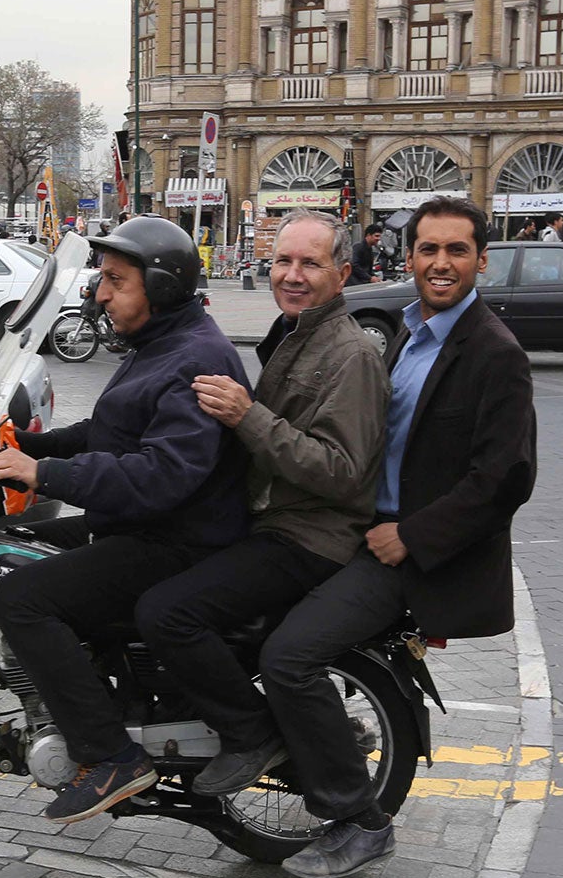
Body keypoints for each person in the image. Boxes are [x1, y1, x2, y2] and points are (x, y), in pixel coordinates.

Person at [257, 196, 536, 878]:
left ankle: (360, 819)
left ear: (481, 262)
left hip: (403, 555)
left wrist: (410, 536)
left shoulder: (493, 352)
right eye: (429, 250)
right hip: (359, 531)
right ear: (408, 257)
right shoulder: (417, 332)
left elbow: (505, 478)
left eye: (457, 251)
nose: (441, 263)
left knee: (289, 656)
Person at [0, 217, 251, 825]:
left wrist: (42, 476)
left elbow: (160, 475)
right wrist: (27, 445)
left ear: (161, 286)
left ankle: (110, 755)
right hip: (140, 526)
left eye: (116, 281)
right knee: (10, 546)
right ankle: (107, 694)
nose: (101, 294)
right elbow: (112, 432)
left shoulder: (196, 360)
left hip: (176, 540)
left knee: (23, 597)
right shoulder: (161, 345)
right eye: (103, 278)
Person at [135, 211, 389, 794]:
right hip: (271, 520)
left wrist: (249, 418)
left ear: (343, 273)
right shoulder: (293, 333)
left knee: (167, 611)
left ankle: (252, 735)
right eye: (283, 261)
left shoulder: (350, 355)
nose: (292, 275)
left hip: (308, 536)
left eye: (310, 263)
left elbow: (343, 473)